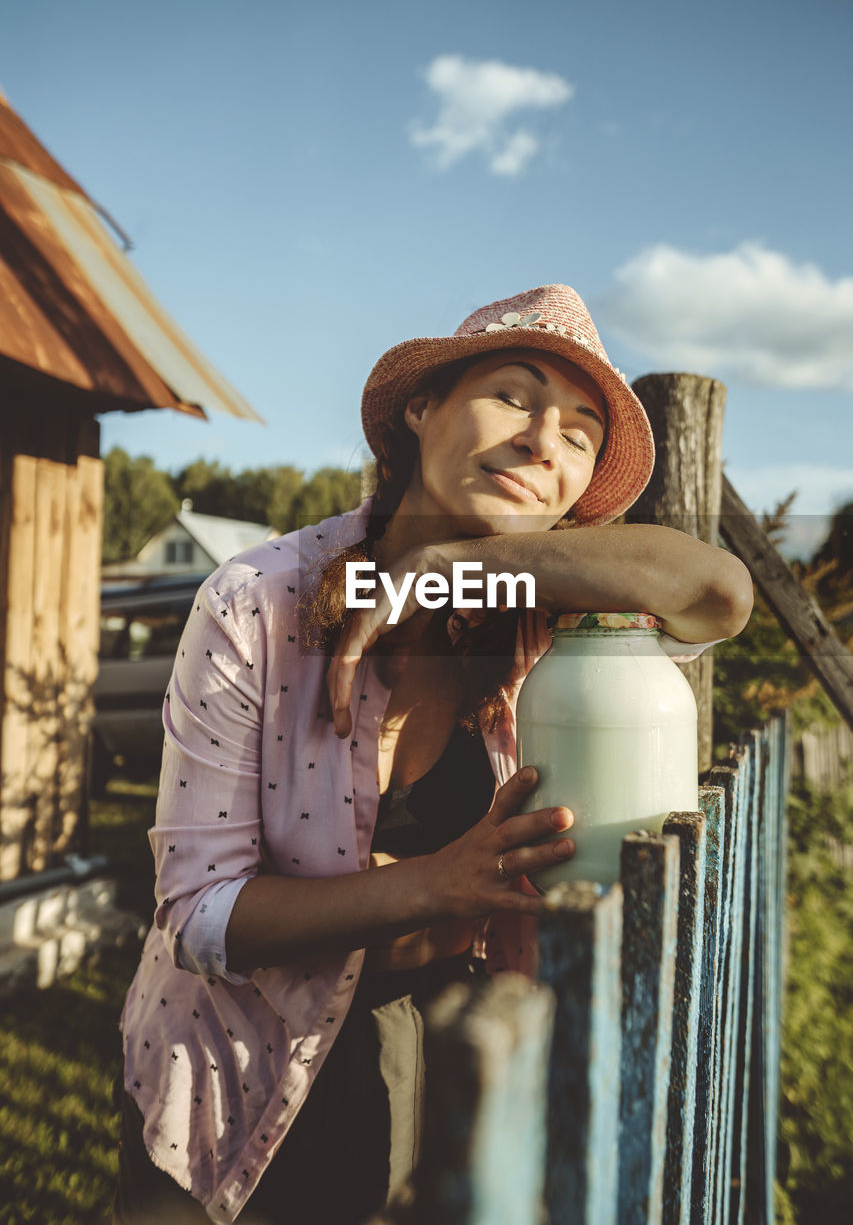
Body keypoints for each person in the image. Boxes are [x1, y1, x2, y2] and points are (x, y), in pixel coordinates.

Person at [113, 284, 753, 1224]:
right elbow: (203, 918)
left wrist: (455, 565)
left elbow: (720, 593)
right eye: (513, 395)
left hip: (444, 1034)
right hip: (229, 1061)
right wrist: (437, 884)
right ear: (421, 409)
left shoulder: (547, 613)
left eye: (580, 433)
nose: (545, 440)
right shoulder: (259, 599)